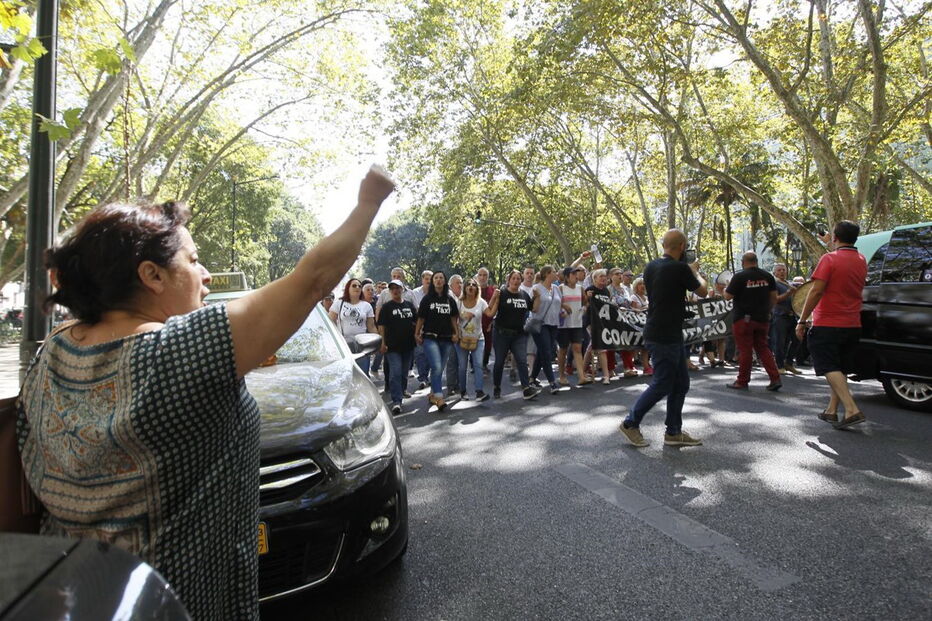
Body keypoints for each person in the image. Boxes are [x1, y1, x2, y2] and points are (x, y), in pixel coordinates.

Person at [16, 167, 395, 620]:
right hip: (170, 606)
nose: (206, 274)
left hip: (69, 597)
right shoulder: (179, 351)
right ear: (152, 275)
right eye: (193, 261)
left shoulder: (54, 350)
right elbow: (312, 280)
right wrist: (369, 200)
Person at [620, 229, 707, 448]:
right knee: (662, 383)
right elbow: (704, 291)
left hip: (663, 331)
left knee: (680, 383)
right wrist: (694, 271)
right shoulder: (680, 268)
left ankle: (673, 432)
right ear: (682, 246)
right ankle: (631, 423)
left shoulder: (651, 266)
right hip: (665, 334)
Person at [795, 221, 868, 429]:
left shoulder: (829, 259)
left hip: (828, 322)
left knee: (828, 366)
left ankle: (851, 409)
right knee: (840, 368)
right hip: (852, 323)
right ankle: (831, 411)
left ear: (835, 237)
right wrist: (829, 242)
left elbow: (816, 291)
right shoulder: (861, 260)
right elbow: (844, 260)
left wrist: (802, 319)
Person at [723, 252, 782, 391]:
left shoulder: (739, 277)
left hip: (744, 319)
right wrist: (768, 311)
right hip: (762, 318)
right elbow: (774, 298)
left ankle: (742, 381)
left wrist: (726, 287)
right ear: (756, 261)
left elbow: (727, 296)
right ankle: (775, 378)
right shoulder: (768, 276)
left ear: (743, 262)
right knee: (763, 348)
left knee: (745, 350)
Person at [486, 270, 541, 400]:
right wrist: (494, 296)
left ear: (520, 281)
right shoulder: (503, 293)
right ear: (509, 280)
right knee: (499, 362)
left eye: (518, 279)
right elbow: (490, 308)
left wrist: (537, 297)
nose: (516, 281)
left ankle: (526, 388)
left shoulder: (524, 295)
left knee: (522, 361)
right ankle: (497, 386)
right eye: (513, 278)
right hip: (501, 333)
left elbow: (534, 309)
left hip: (519, 334)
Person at [415, 271, 459, 410]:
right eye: (436, 278)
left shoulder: (449, 299)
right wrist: (417, 333)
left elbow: (453, 318)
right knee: (437, 366)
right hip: (430, 337)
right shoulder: (427, 299)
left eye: (441, 278)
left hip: (446, 338)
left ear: (445, 282)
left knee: (439, 368)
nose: (439, 280)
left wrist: (456, 333)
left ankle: (433, 393)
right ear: (433, 282)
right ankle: (439, 397)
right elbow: (421, 318)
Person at [377, 279, 418, 414]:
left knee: (404, 372)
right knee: (395, 372)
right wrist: (382, 343)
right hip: (392, 346)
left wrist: (418, 334)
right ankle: (396, 401)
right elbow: (381, 326)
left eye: (398, 288)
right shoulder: (387, 307)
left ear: (402, 290)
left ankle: (402, 390)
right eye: (392, 288)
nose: (395, 291)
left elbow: (417, 321)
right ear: (390, 291)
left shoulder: (409, 306)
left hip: (408, 345)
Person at [329, 278, 378, 376]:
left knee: (362, 374)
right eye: (354, 285)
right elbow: (330, 322)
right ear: (348, 288)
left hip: (362, 346)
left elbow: (371, 326)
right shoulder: (339, 303)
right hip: (344, 344)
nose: (357, 288)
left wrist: (377, 343)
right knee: (346, 374)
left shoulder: (366, 306)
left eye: (359, 286)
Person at [455, 279, 490, 401]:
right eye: (468, 284)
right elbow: (452, 319)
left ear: (477, 289)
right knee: (463, 366)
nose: (471, 286)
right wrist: (456, 332)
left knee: (478, 365)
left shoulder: (481, 302)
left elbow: (490, 314)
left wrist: (496, 298)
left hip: (478, 338)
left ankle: (479, 392)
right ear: (464, 288)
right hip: (462, 339)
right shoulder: (458, 302)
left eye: (474, 285)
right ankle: (463, 391)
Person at [529, 265, 561, 394]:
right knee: (547, 352)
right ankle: (552, 382)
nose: (556, 273)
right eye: (554, 272)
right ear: (547, 274)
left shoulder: (556, 289)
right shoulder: (536, 288)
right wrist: (536, 298)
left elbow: (559, 303)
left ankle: (531, 378)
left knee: (543, 352)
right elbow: (533, 309)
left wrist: (562, 311)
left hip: (554, 324)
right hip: (540, 324)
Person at [557, 266, 590, 386]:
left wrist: (585, 308)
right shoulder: (561, 288)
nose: (576, 276)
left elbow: (585, 302)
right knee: (563, 349)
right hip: (564, 324)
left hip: (577, 323)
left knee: (577, 348)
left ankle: (581, 376)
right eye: (573, 274)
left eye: (577, 274)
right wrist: (563, 306)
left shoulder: (580, 288)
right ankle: (561, 375)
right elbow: (556, 302)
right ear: (566, 277)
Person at [584, 268, 615, 385]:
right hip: (591, 322)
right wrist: (587, 297)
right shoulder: (590, 289)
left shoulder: (607, 291)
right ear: (594, 279)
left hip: (603, 323)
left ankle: (582, 371)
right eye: (600, 276)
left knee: (592, 346)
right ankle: (606, 376)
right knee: (601, 347)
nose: (603, 278)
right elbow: (584, 305)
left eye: (604, 276)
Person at [770, 263, 801, 375]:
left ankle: (789, 363)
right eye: (779, 270)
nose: (782, 272)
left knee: (797, 338)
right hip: (780, 316)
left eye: (784, 269)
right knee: (780, 342)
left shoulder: (788, 283)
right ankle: (779, 365)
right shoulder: (774, 283)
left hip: (792, 316)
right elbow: (775, 300)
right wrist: (789, 292)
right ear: (775, 272)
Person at [411, 270, 434, 390]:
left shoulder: (437, 293)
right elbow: (415, 310)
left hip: (432, 328)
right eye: (427, 279)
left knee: (430, 353)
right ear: (422, 280)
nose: (429, 282)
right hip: (419, 327)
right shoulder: (415, 293)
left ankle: (426, 375)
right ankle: (423, 378)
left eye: (431, 279)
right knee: (420, 354)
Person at [628, 277, 653, 375]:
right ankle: (630, 366)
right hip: (637, 326)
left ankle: (646, 367)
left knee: (645, 347)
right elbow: (632, 311)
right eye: (640, 284)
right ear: (636, 286)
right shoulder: (634, 297)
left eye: (644, 284)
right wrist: (645, 308)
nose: (643, 286)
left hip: (646, 324)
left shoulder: (646, 298)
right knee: (634, 347)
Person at [476, 267, 496, 371]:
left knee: (488, 344)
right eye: (480, 275)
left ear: (488, 277)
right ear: (477, 276)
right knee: (474, 344)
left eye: (485, 275)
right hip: (475, 322)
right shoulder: (473, 289)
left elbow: (495, 308)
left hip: (488, 322)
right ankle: (475, 364)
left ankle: (484, 363)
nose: (482, 277)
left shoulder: (492, 291)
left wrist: (492, 322)